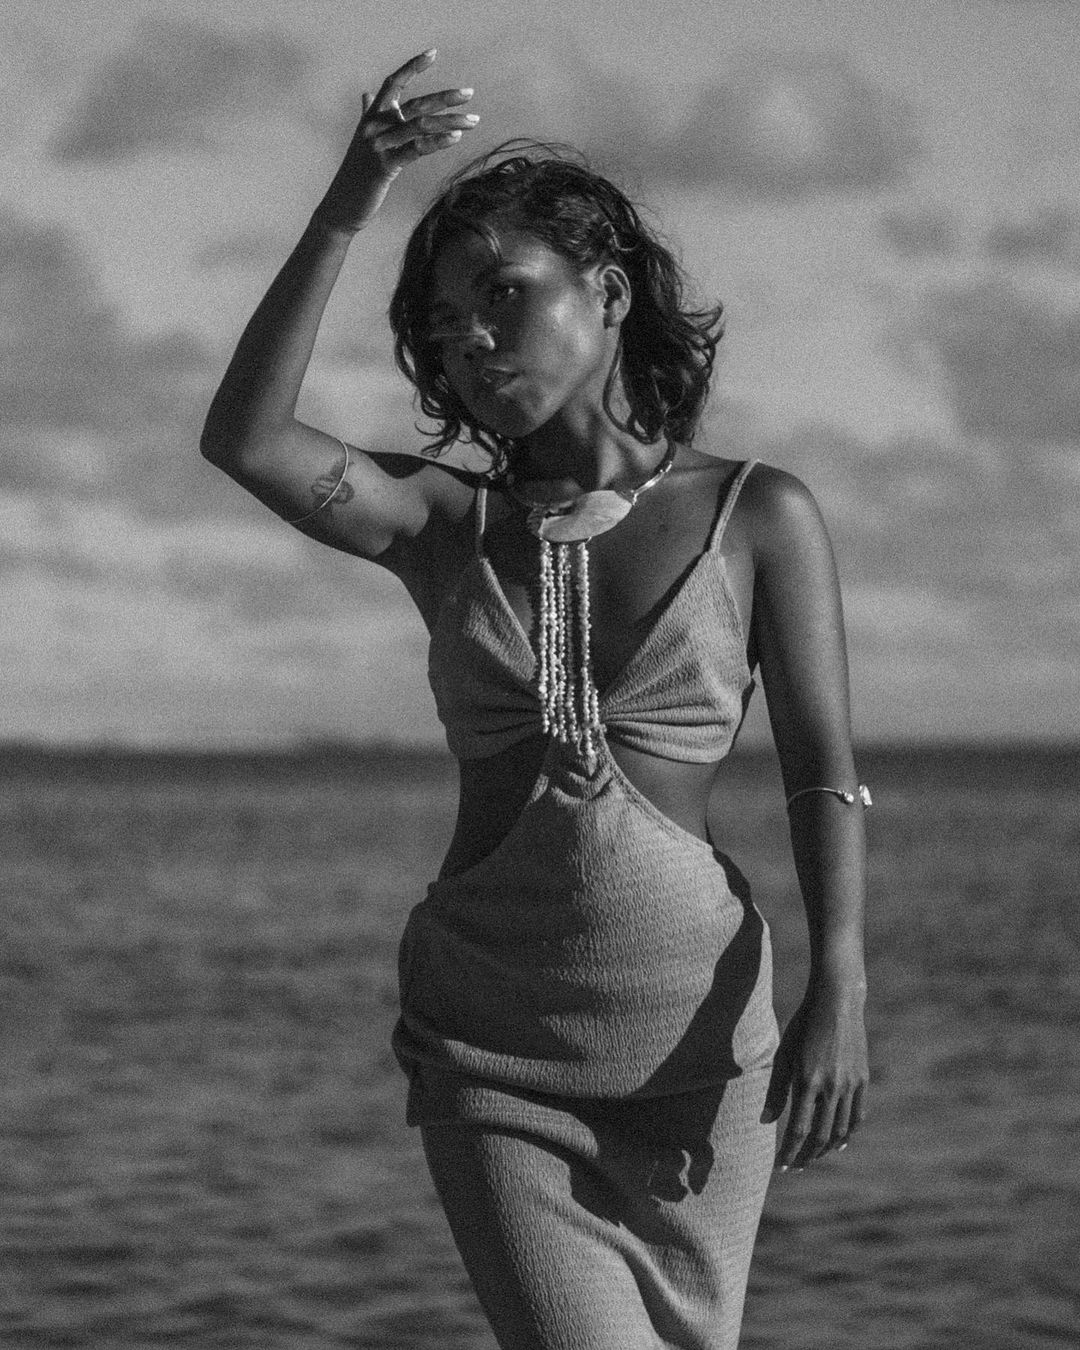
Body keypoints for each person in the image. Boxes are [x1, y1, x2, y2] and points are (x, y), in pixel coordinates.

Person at [201, 48, 869, 1350]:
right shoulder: (439, 523)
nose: (471, 337)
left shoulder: (758, 516)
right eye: (444, 321)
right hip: (493, 1053)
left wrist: (839, 980)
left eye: (504, 293)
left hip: (701, 1057)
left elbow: (821, 768)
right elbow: (247, 439)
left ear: (607, 290)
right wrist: (349, 199)